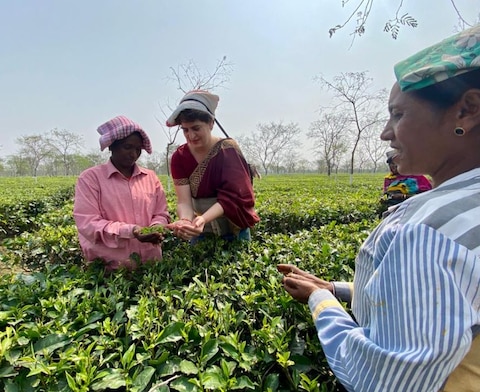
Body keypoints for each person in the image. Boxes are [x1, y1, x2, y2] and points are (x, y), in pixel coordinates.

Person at [279, 25, 480, 392]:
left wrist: (320, 301)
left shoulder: (427, 232)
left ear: (466, 111)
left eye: (398, 115)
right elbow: (449, 306)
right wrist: (338, 288)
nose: (385, 133)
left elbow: (384, 377)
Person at [73, 115, 171, 271]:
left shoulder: (151, 178)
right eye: (127, 147)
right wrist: (131, 231)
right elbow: (88, 224)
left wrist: (155, 227)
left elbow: (161, 213)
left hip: (151, 267)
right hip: (110, 271)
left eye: (138, 149)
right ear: (112, 146)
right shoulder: (91, 179)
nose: (133, 154)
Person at [165, 90, 260, 242]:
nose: (191, 135)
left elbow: (232, 197)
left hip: (233, 227)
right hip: (201, 231)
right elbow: (184, 202)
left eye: (196, 128)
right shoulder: (179, 157)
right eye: (185, 130)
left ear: (210, 123)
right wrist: (185, 221)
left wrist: (203, 218)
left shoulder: (228, 150)